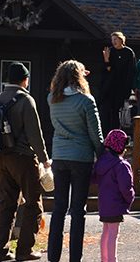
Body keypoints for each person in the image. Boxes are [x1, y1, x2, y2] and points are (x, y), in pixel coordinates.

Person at [47, 60, 105, 262]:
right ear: (80, 77)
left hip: (59, 155)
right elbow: (95, 133)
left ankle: (53, 257)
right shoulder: (86, 101)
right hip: (81, 157)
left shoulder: (52, 98)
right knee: (78, 210)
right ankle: (75, 258)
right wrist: (103, 154)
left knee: (58, 208)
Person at [0, 62, 49, 261]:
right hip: (23, 158)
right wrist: (44, 159)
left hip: (1, 157)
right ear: (25, 79)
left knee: (7, 204)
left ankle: (0, 250)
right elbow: (35, 134)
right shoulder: (26, 100)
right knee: (34, 203)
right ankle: (25, 250)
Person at [92, 129, 135, 262]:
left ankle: (104, 258)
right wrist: (130, 197)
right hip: (116, 203)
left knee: (106, 231)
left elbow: (94, 179)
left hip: (104, 203)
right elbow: (126, 187)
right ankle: (112, 259)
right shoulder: (121, 165)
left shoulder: (101, 162)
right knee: (113, 233)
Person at [100, 31, 136, 134]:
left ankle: (118, 133)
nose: (113, 42)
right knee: (109, 111)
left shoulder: (128, 52)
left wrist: (129, 87)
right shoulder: (110, 52)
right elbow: (106, 70)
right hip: (110, 88)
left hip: (122, 87)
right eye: (112, 40)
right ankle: (108, 133)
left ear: (121, 40)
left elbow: (131, 71)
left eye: (115, 39)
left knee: (120, 111)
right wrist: (106, 60)